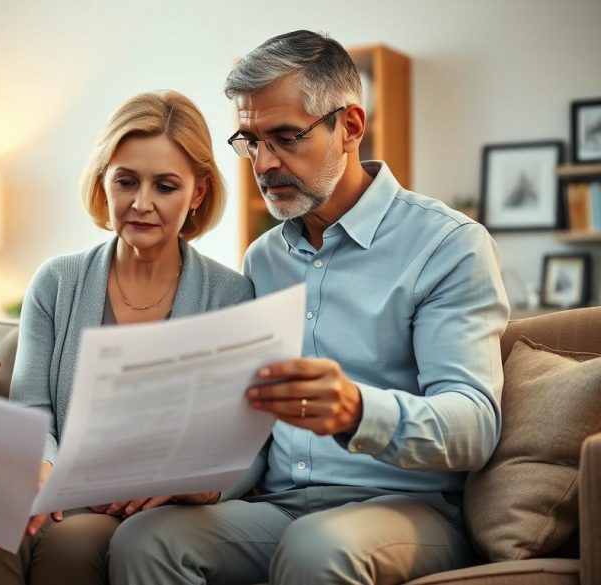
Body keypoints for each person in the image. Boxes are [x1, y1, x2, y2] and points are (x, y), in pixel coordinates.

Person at [109, 30, 510, 585]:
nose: (264, 163)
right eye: (249, 140)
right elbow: (252, 423)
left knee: (317, 545)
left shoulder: (447, 245)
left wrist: (355, 410)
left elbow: (473, 426)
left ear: (349, 127)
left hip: (406, 510)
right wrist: (210, 480)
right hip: (280, 506)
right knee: (145, 540)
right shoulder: (262, 259)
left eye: (284, 137)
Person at [0, 90, 254, 585]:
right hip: (59, 491)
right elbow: (31, 410)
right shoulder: (57, 281)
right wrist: (40, 470)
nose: (141, 203)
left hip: (153, 513)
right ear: (103, 182)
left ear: (197, 193)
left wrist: (203, 486)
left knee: (69, 545)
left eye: (166, 186)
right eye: (126, 181)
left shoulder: (231, 296)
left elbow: (248, 444)